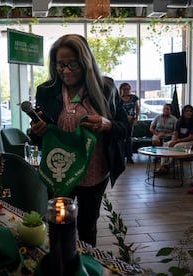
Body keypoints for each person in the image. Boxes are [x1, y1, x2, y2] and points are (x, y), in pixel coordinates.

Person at [29, 34, 128, 247]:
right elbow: (40, 138)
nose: (65, 71)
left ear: (85, 62)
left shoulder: (106, 88)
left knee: (87, 225)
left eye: (72, 64)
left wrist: (106, 124)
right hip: (60, 169)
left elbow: (125, 128)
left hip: (94, 171)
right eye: (60, 65)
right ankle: (60, 261)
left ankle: (86, 265)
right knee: (58, 221)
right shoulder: (47, 91)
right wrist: (37, 131)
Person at [156, 104, 193, 175]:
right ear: (183, 112)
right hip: (180, 140)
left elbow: (191, 137)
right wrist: (173, 141)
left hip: (192, 141)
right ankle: (162, 166)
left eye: (190, 111)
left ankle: (167, 166)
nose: (188, 112)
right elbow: (176, 132)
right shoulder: (180, 121)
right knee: (166, 144)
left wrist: (176, 142)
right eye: (187, 111)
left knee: (177, 146)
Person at [119, 82, 140, 164]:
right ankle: (121, 157)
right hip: (120, 121)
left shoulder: (134, 98)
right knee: (120, 139)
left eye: (128, 89)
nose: (126, 91)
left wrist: (136, 118)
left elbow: (137, 109)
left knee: (129, 139)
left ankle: (129, 157)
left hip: (130, 122)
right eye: (124, 89)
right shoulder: (118, 98)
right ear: (121, 90)